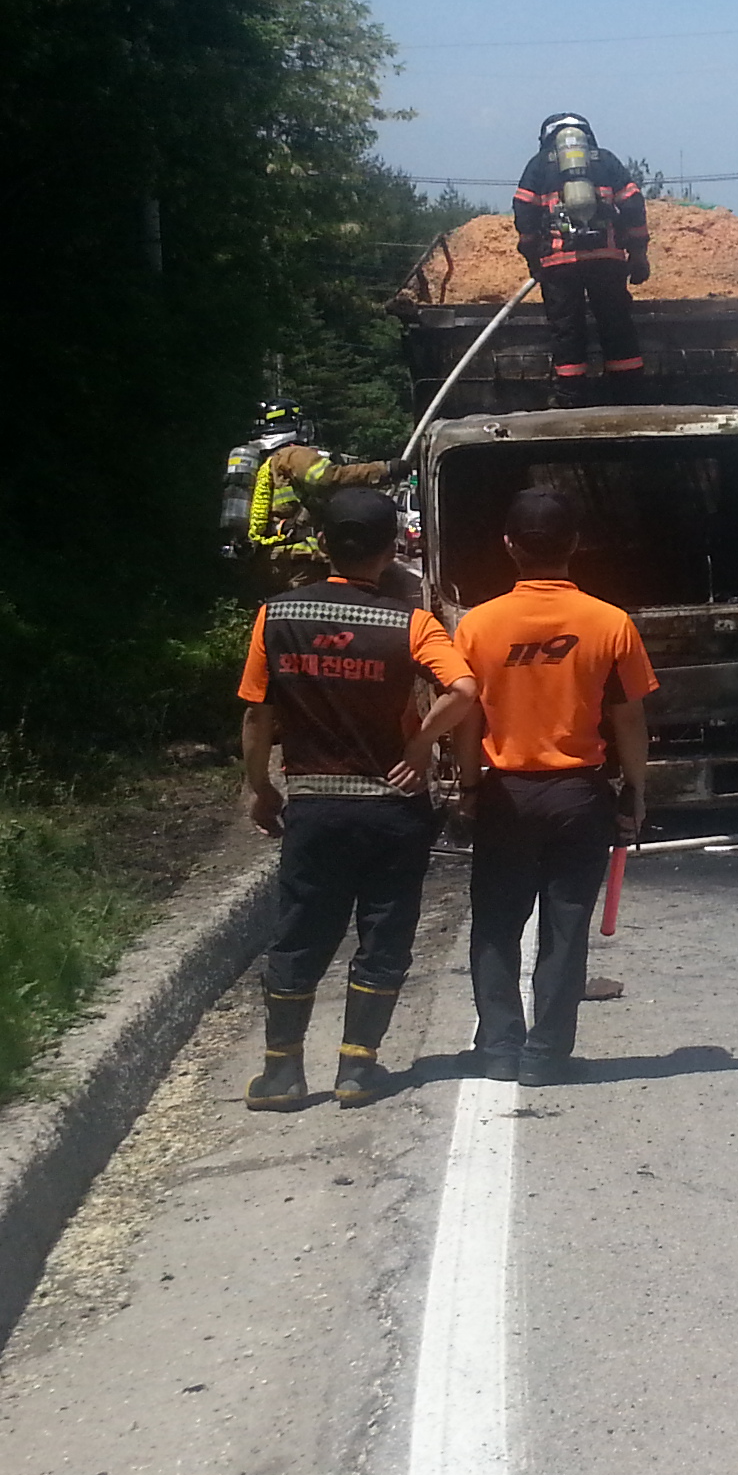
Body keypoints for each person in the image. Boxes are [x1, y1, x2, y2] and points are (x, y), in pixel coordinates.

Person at [236, 488, 480, 1111]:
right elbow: (463, 688)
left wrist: (261, 787)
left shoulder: (275, 616)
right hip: (393, 809)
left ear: (321, 544)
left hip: (314, 807)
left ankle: (282, 1073)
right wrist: (421, 744)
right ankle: (357, 1067)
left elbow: (258, 715)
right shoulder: (411, 624)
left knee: (300, 933)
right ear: (392, 548)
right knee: (384, 933)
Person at [451, 488, 658, 1085]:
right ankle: (544, 1056)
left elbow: (466, 719)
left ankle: (498, 1049)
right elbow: (629, 718)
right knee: (566, 927)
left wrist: (469, 789)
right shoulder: (610, 623)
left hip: (505, 794)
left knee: (496, 922)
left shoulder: (477, 626)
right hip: (579, 795)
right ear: (575, 544)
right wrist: (636, 790)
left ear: (509, 546)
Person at [511, 112, 653, 408]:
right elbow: (632, 203)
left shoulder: (539, 165)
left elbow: (524, 209)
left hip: (559, 262)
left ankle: (571, 396)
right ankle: (630, 395)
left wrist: (533, 257)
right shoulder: (606, 160)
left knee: (567, 329)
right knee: (616, 324)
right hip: (607, 259)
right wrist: (638, 253)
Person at [230, 405, 397, 591]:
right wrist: (385, 470)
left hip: (269, 559)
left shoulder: (264, 461)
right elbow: (329, 479)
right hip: (299, 559)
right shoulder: (293, 454)